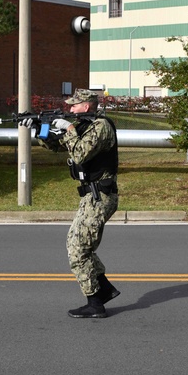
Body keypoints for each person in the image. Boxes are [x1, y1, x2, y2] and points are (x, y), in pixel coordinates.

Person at [47, 89, 121, 318]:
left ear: (86, 106)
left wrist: (68, 128)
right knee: (76, 244)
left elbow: (79, 154)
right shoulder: (84, 126)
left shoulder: (101, 126)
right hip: (90, 196)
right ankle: (104, 290)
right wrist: (43, 130)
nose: (70, 109)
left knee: (78, 249)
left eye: (74, 106)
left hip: (101, 196)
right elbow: (57, 146)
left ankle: (95, 304)